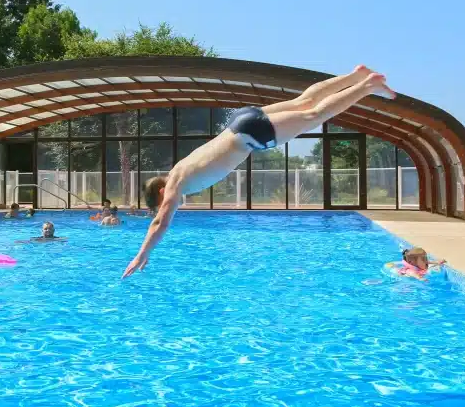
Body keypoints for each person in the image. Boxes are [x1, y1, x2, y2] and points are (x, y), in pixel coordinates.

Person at [122, 65, 396, 278]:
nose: (170, 207)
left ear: (161, 192)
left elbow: (160, 223)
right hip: (240, 122)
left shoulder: (173, 185)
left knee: (314, 115)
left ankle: (366, 85)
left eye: (162, 205)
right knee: (305, 102)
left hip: (250, 135)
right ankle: (354, 75)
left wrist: (142, 253)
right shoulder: (179, 169)